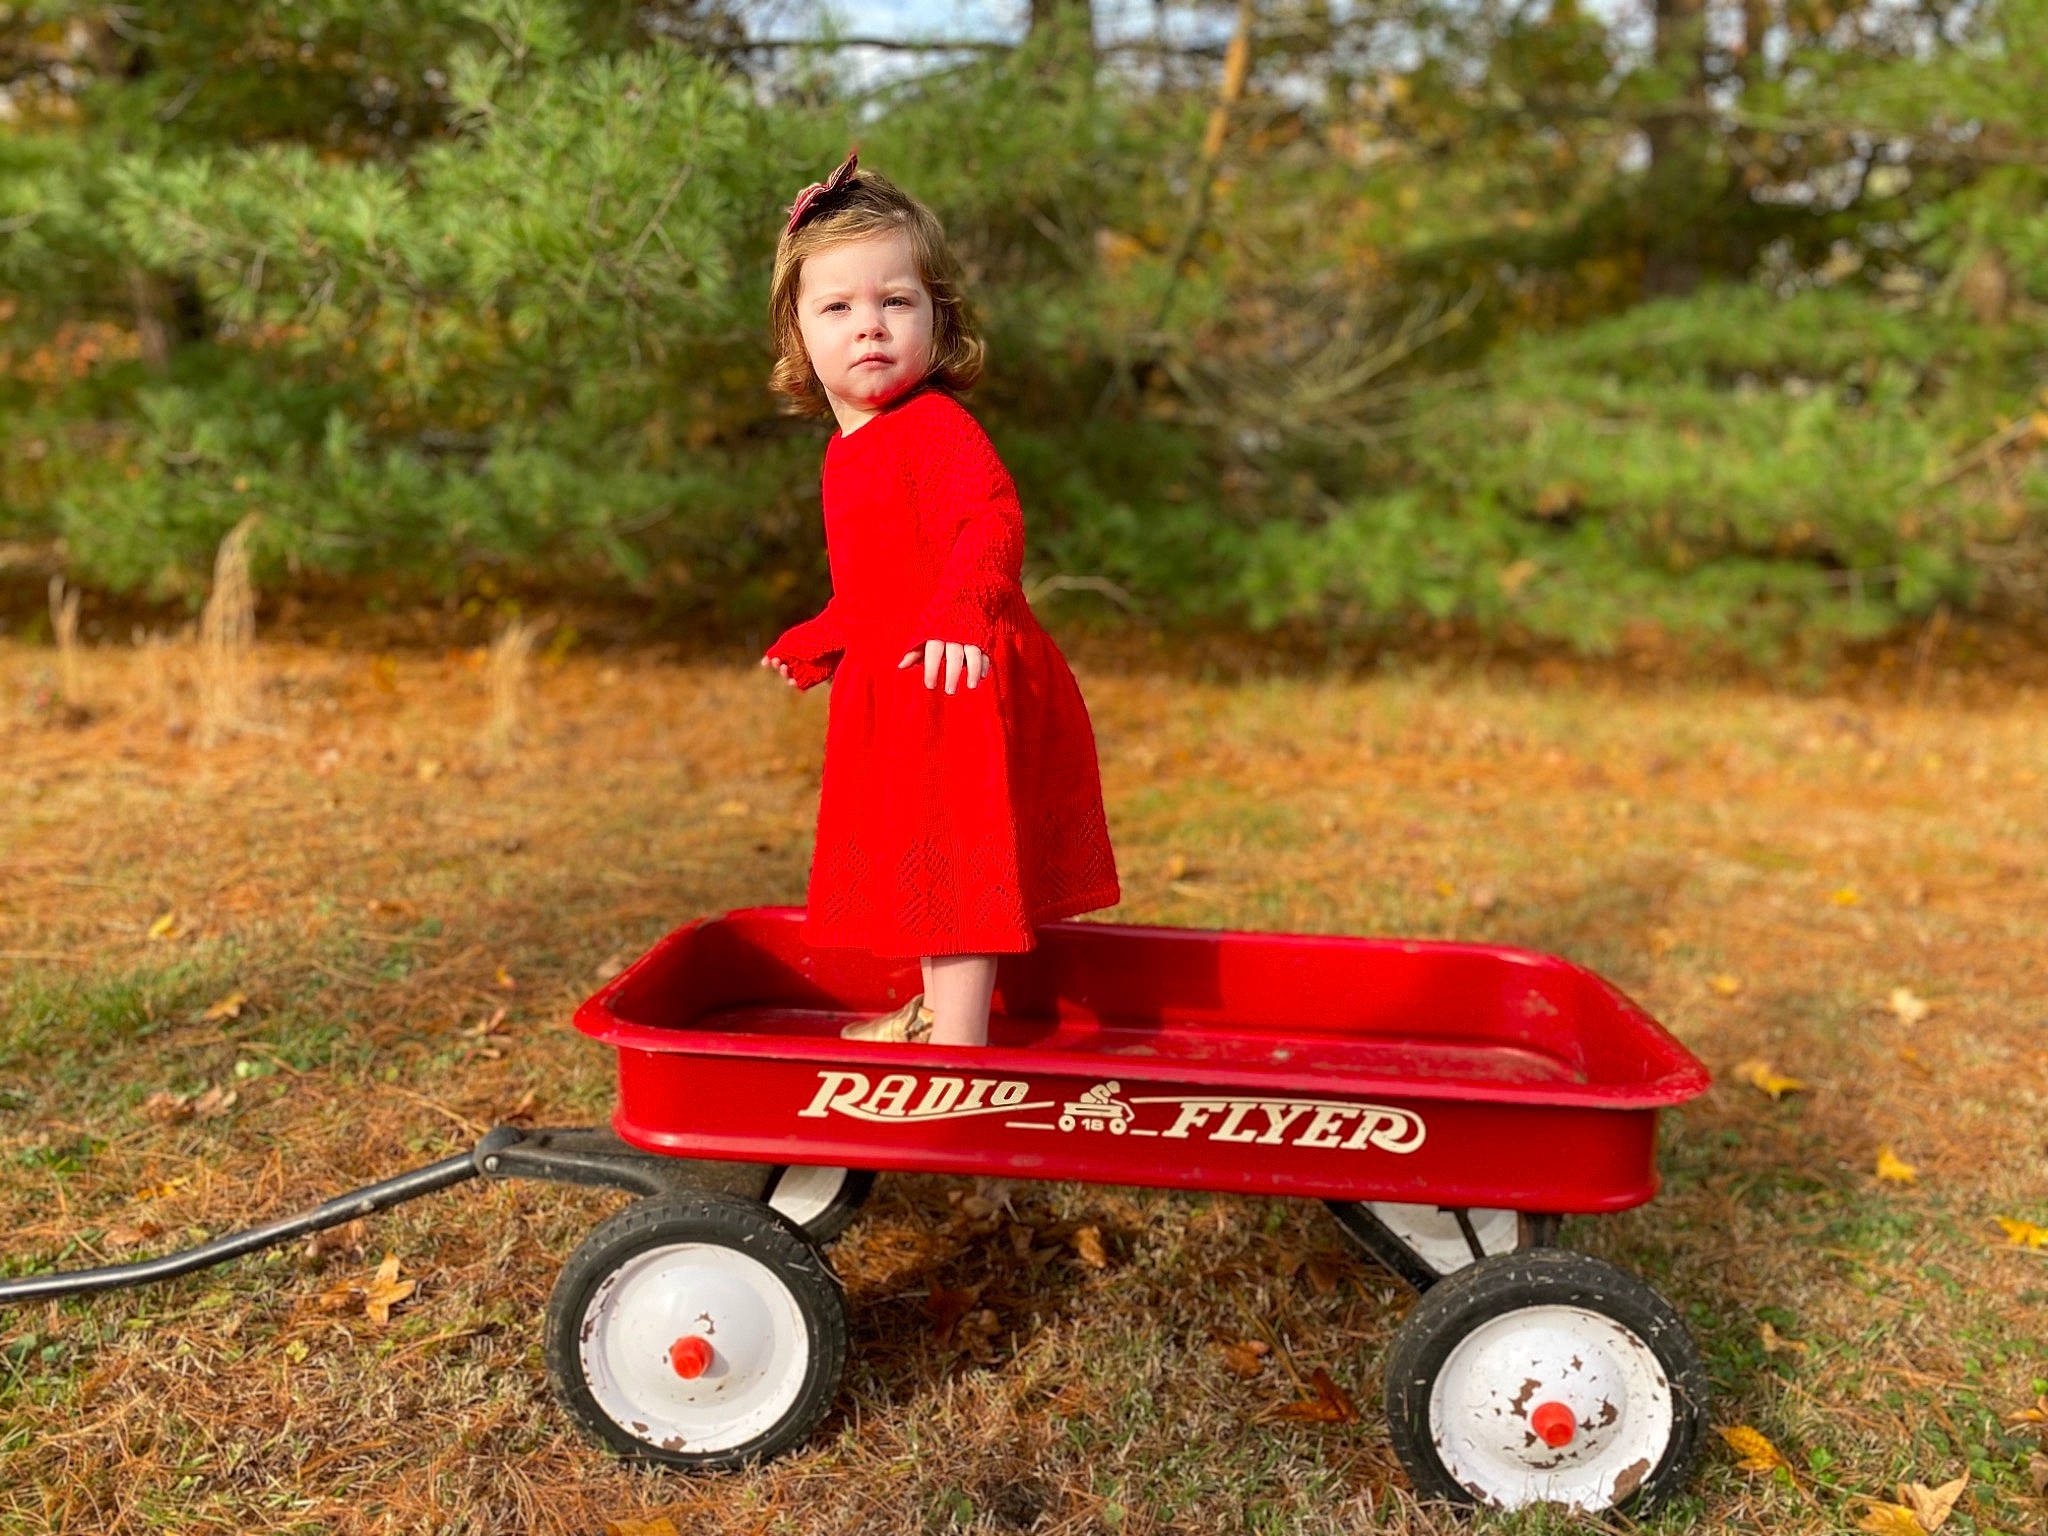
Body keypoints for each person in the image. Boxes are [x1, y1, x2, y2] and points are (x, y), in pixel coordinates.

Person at [759, 149, 1120, 1048]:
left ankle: (958, 1054)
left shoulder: (933, 427)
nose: (869, 326)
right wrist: (825, 633)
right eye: (837, 307)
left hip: (960, 679)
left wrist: (967, 609)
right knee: (922, 857)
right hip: (905, 682)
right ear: (796, 334)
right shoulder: (848, 451)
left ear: (936, 319)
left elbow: (990, 521)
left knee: (955, 871)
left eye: (896, 302)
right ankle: (936, 1015)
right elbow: (877, 580)